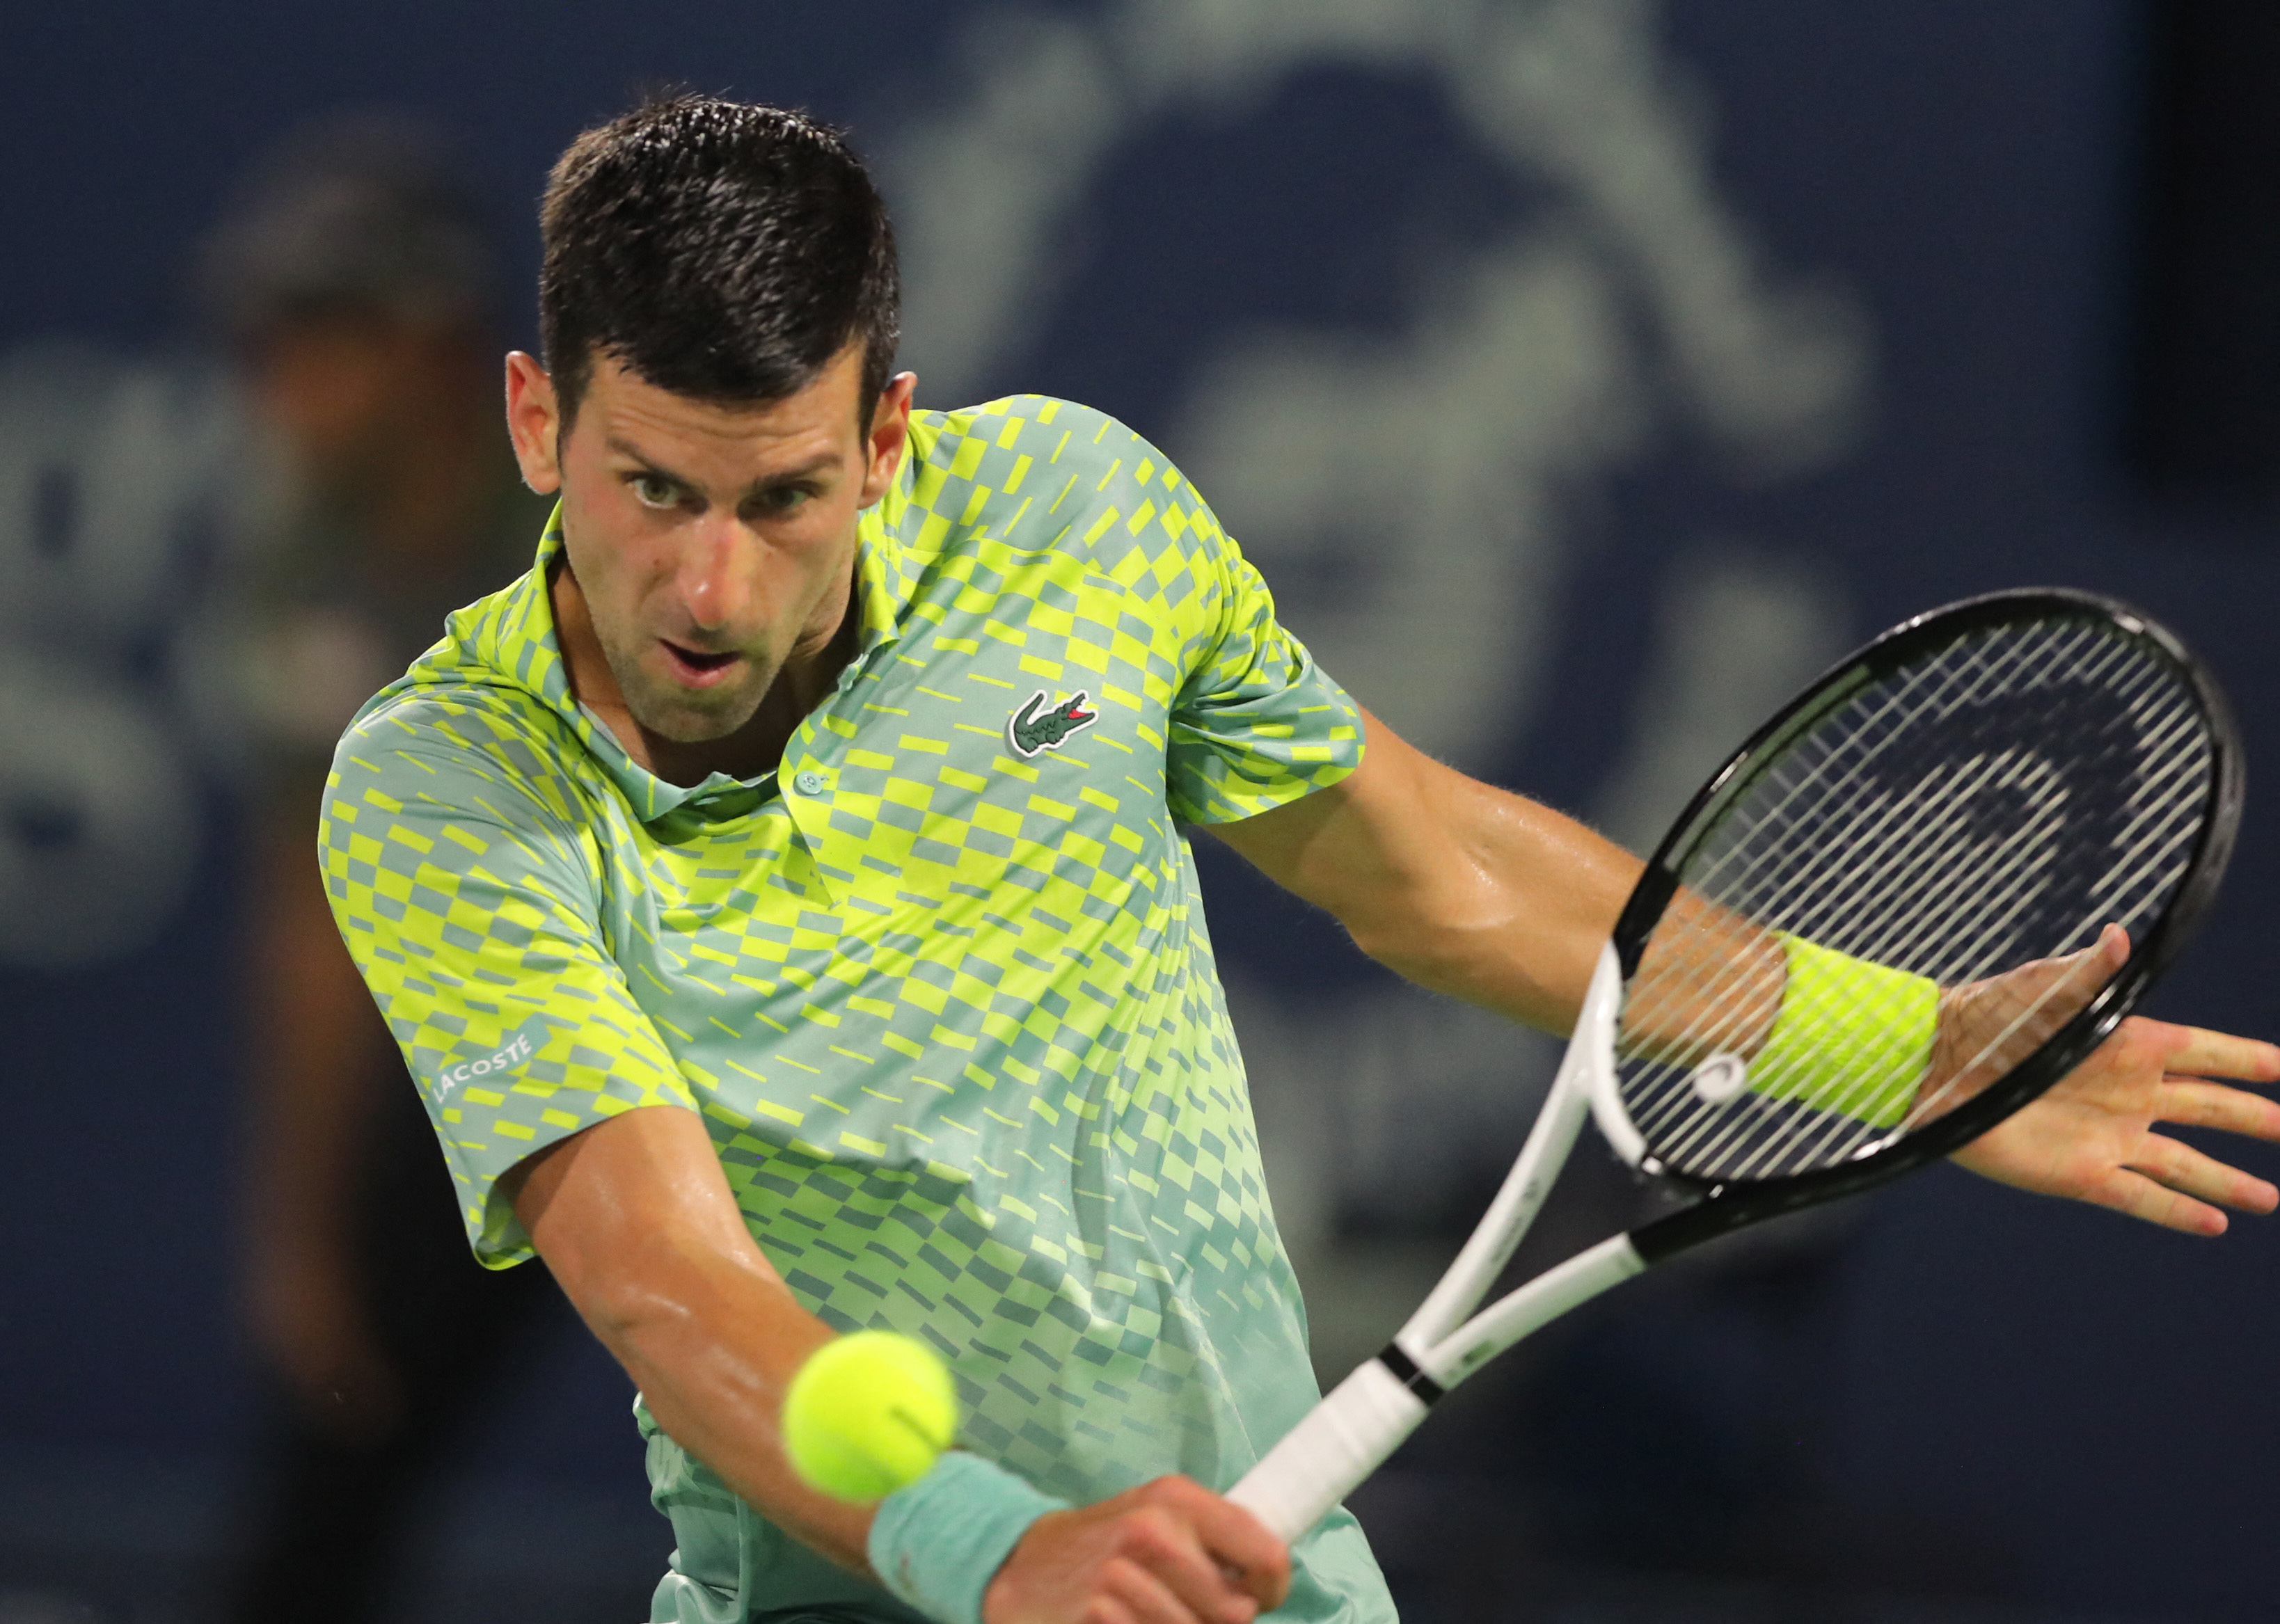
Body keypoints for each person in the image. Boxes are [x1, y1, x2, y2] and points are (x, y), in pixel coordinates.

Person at [317, 96, 2280, 1624]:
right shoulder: (447, 790)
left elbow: (1431, 869)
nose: (705, 580)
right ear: (533, 416)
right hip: (863, 1585)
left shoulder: (1079, 523)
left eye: (781, 495)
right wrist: (1004, 1547)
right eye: (649, 488)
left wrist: (1896, 1050)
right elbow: (659, 1267)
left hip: (1256, 1575)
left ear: (888, 439)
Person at [199, 114, 567, 1624]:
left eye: (316, 335)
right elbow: (314, 917)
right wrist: (304, 1234)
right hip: (491, 1072)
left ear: (432, 345)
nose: (274, 383)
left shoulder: (612, 522)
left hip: (732, 1041)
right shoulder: (312, 563)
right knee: (321, 1499)